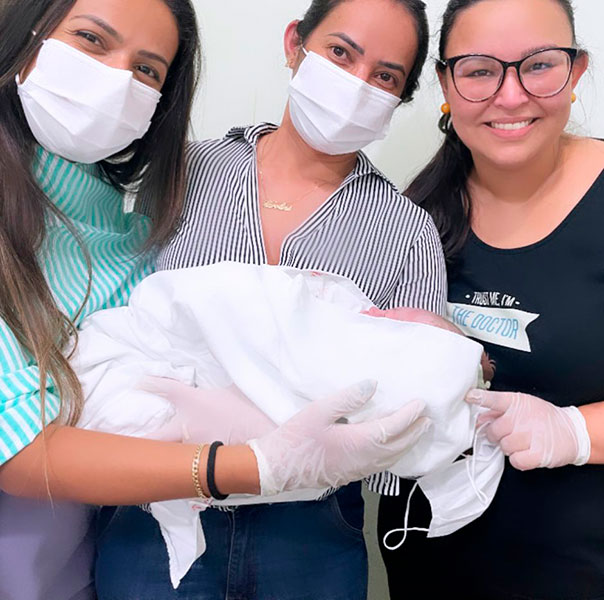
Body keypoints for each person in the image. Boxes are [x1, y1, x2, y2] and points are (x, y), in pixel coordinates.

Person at [0, 2, 430, 599]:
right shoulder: (185, 172)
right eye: (340, 53)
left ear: (401, 96)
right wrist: (249, 456)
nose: (356, 84)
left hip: (309, 517)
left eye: (386, 76)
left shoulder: (406, 228)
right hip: (147, 502)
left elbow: (418, 387)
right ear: (294, 44)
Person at [378, 0, 604, 598]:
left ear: (577, 72)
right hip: (427, 564)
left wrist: (576, 431)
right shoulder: (411, 215)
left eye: (538, 65)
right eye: (479, 70)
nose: (510, 96)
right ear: (446, 84)